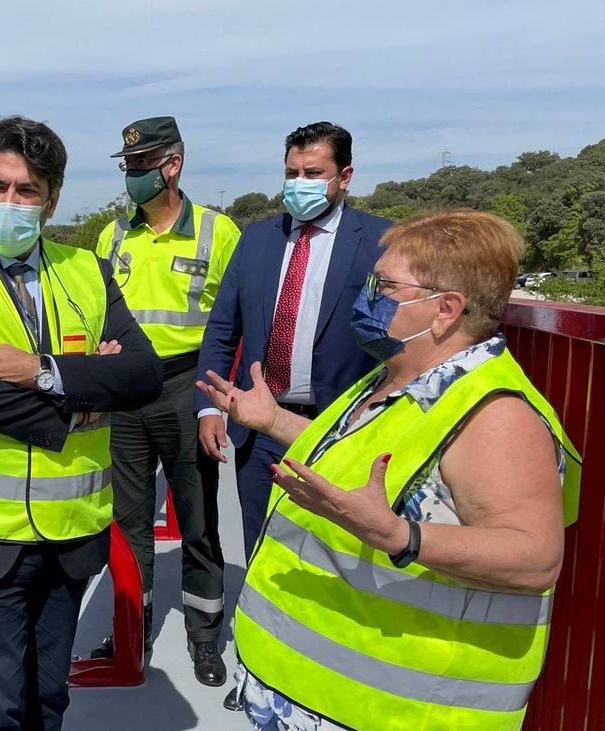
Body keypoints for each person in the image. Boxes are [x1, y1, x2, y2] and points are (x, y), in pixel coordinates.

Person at [197, 209, 582, 731]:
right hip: (307, 690)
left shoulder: (496, 416)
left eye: (384, 286)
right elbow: (364, 456)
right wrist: (273, 421)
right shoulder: (395, 376)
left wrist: (398, 535)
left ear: (445, 309)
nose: (367, 296)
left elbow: (536, 559)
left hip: (395, 710)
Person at [0, 115, 162, 731]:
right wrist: (78, 398)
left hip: (69, 533)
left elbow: (144, 375)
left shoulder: (87, 271)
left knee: (48, 701)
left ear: (52, 200)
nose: (9, 203)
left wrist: (41, 371)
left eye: (26, 192)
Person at [87, 116, 241, 687]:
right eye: (126, 165)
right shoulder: (112, 237)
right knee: (126, 523)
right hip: (125, 391)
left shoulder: (217, 232)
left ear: (171, 165)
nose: (130, 175)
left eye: (139, 165)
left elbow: (233, 320)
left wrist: (214, 400)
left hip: (186, 385)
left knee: (197, 518)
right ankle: (131, 633)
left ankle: (204, 638)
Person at [195, 122, 392, 563]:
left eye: (312, 173)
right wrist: (209, 407)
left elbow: (398, 337)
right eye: (291, 173)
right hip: (259, 429)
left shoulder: (382, 242)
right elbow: (223, 329)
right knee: (262, 553)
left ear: (344, 177)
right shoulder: (257, 240)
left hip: (337, 428)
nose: (298, 184)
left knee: (333, 555)